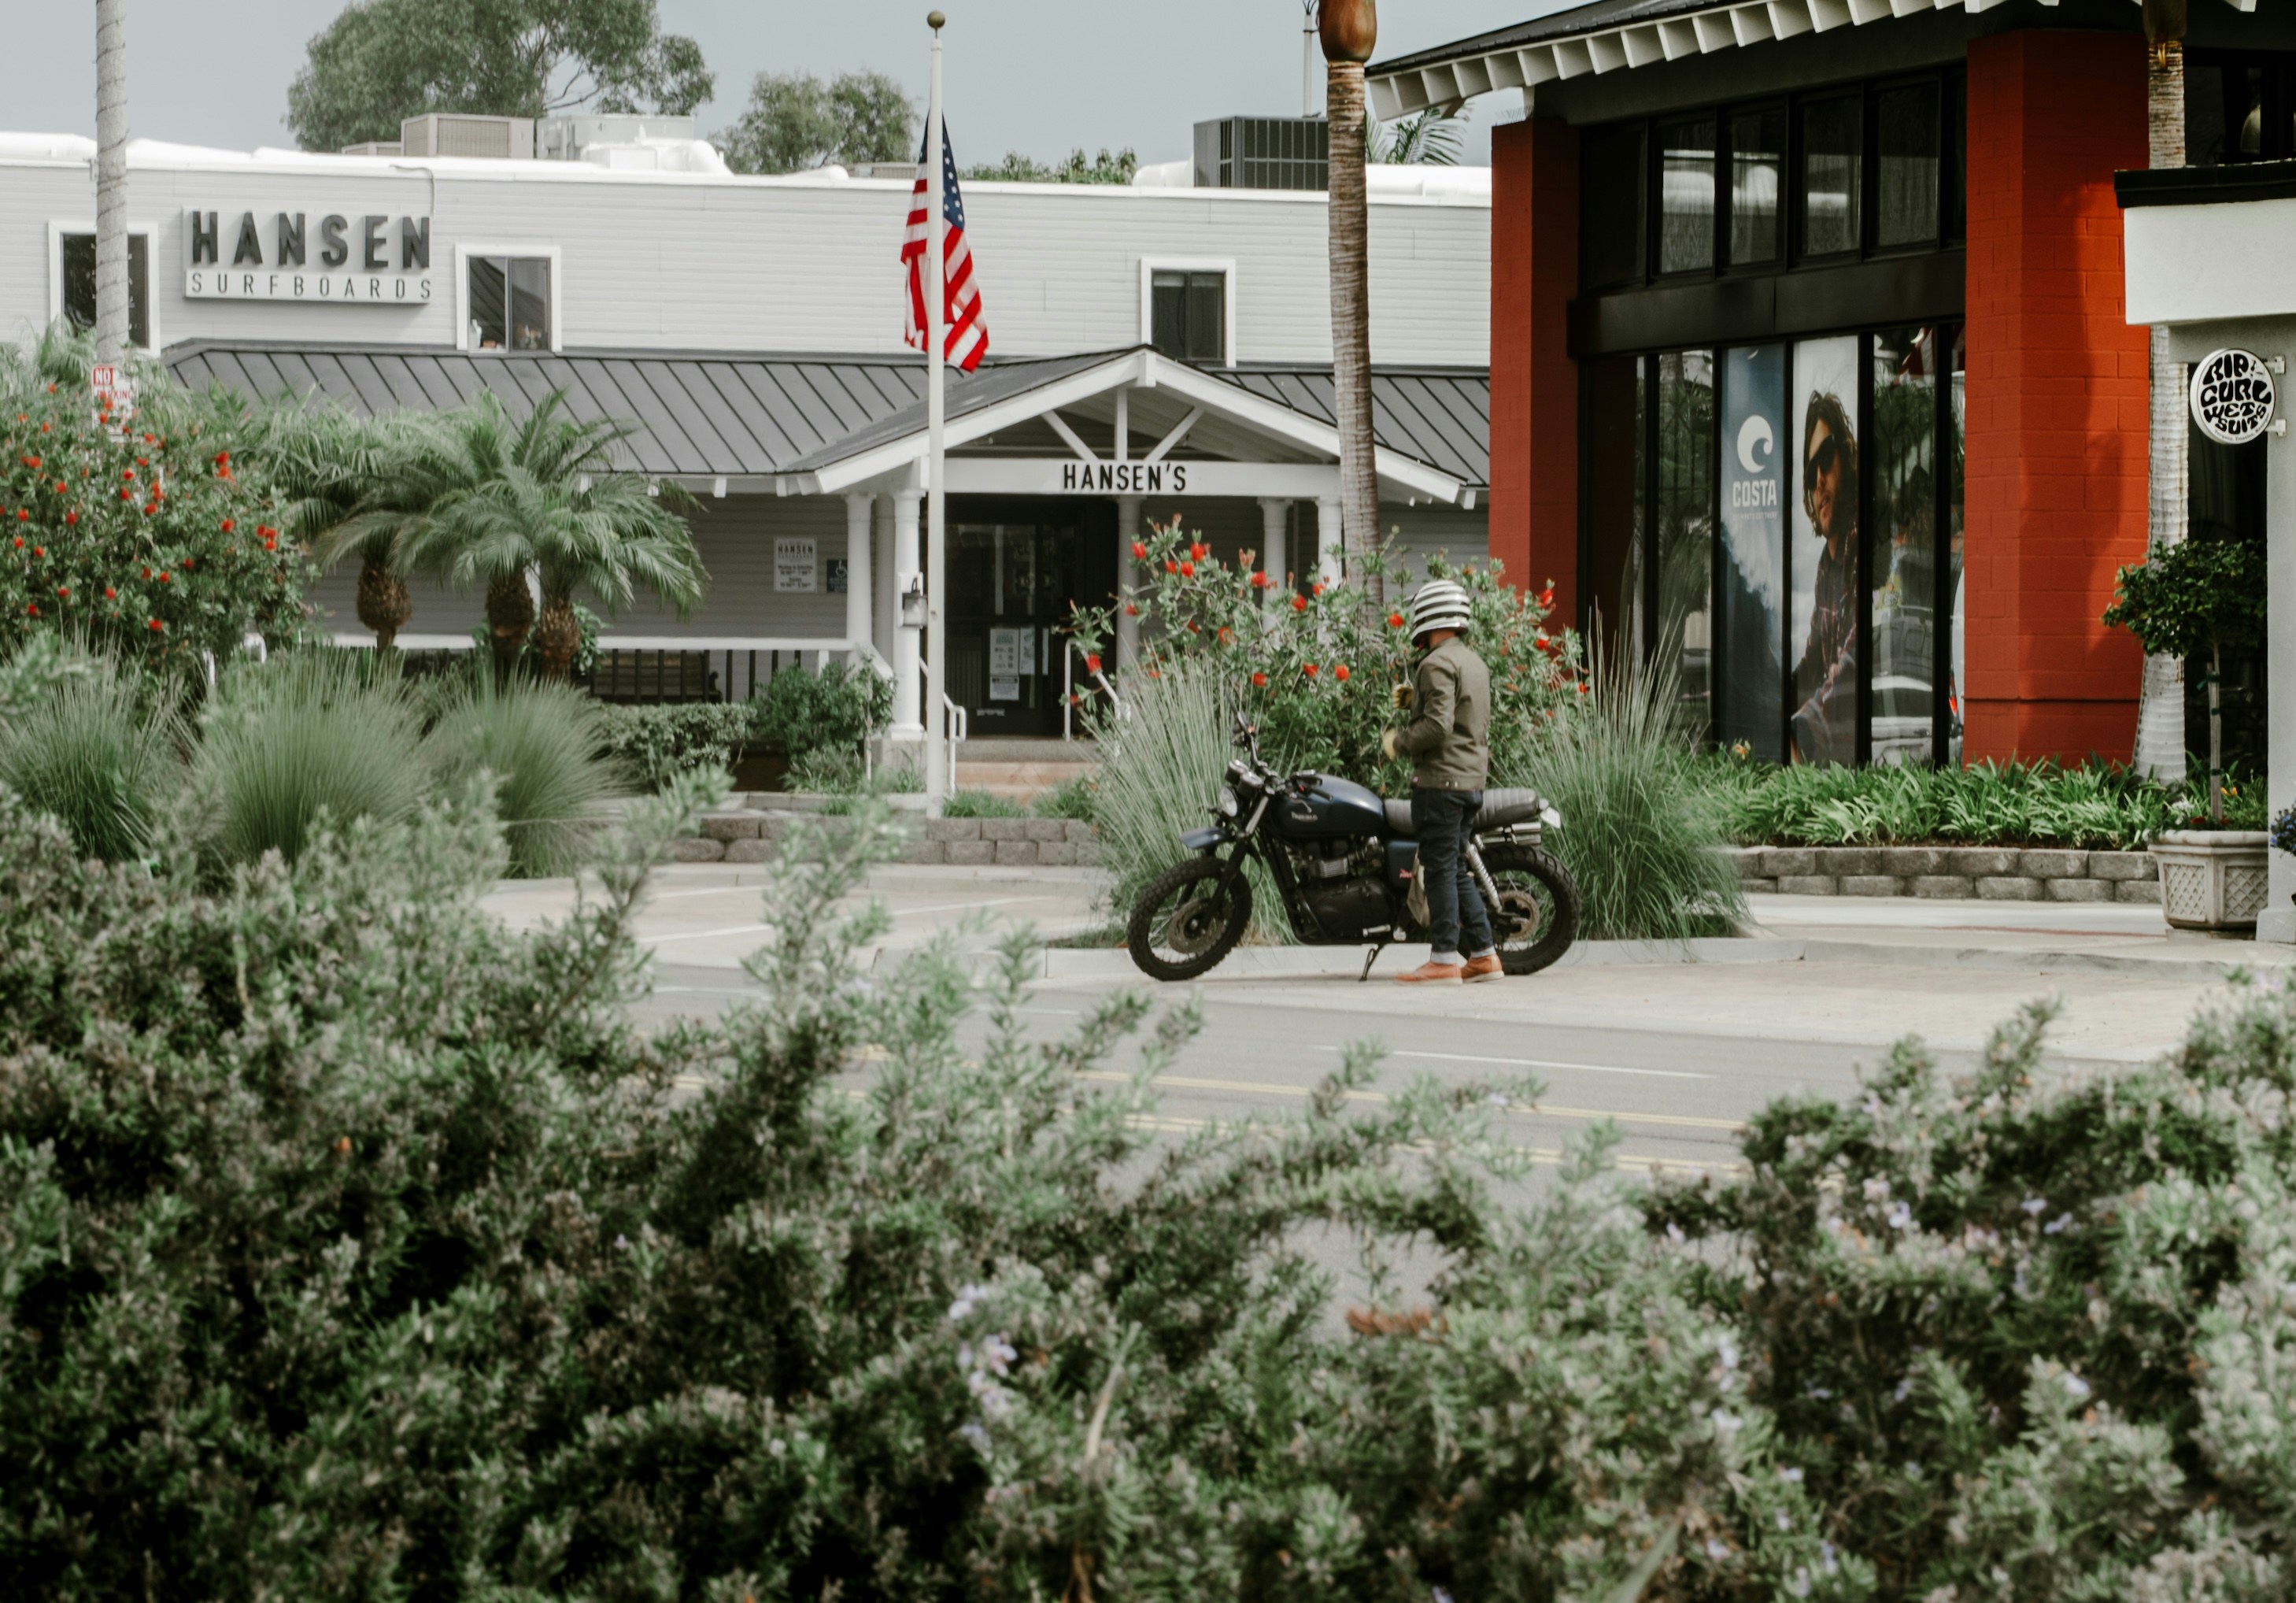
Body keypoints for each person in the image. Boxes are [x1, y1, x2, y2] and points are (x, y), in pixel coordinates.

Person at [1381, 579, 1499, 985]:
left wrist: (1400, 741)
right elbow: (1461, 714)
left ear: (1428, 617)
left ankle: (1445, 958)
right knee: (1454, 869)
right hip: (1469, 781)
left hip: (1441, 783)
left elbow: (1438, 726)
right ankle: (1484, 955)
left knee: (1439, 868)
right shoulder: (1474, 663)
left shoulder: (1434, 664)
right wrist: (1415, 698)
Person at [1791, 391, 1859, 765]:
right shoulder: (1824, 568)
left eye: (1826, 456)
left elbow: (1855, 651)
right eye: (1809, 468)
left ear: (1846, 460)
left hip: (1866, 769)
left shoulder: (1862, 548)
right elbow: (1814, 660)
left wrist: (1802, 729)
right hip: (1835, 769)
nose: (1818, 479)